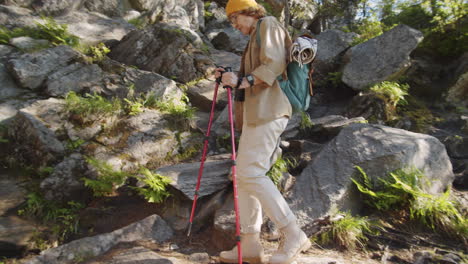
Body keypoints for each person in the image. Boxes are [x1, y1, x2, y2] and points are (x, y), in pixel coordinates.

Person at [215, 0, 311, 263]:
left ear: (248, 12)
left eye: (235, 19)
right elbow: (255, 75)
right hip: (257, 115)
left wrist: (242, 80)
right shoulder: (253, 38)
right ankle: (249, 246)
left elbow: (275, 63)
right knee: (242, 176)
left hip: (270, 111)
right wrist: (231, 76)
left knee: (250, 173)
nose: (235, 26)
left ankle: (293, 233)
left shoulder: (267, 24)